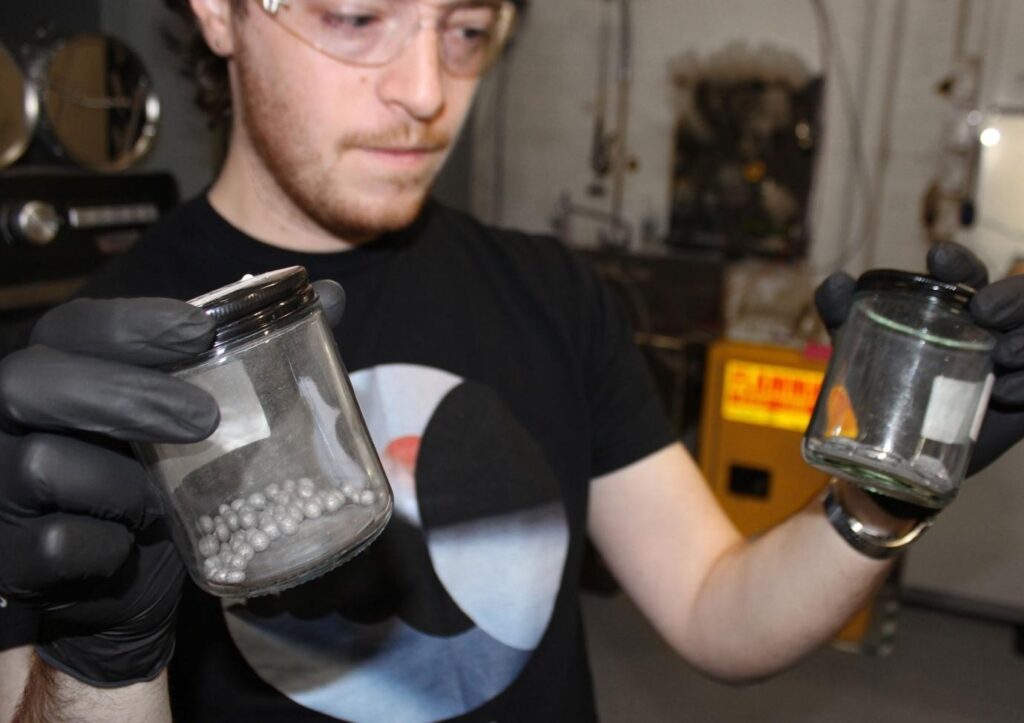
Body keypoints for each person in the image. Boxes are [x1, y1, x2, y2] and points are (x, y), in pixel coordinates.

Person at [2, 0, 1024, 720]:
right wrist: (99, 663)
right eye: (357, 17)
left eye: (467, 28)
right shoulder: (80, 372)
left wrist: (884, 500)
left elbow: (717, 615)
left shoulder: (553, 292)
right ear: (219, 11)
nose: (424, 90)